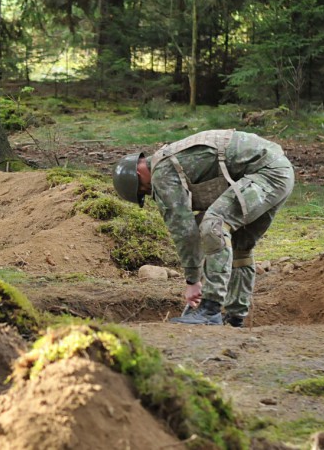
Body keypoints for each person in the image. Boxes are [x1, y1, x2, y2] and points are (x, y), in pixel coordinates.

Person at [112, 130, 295, 327]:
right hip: (281, 173)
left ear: (139, 173)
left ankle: (210, 309)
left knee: (214, 223)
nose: (149, 193)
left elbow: (183, 229)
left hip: (266, 173)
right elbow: (192, 225)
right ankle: (235, 317)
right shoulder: (173, 159)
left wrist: (193, 282)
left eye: (142, 190)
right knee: (240, 245)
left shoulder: (161, 172)